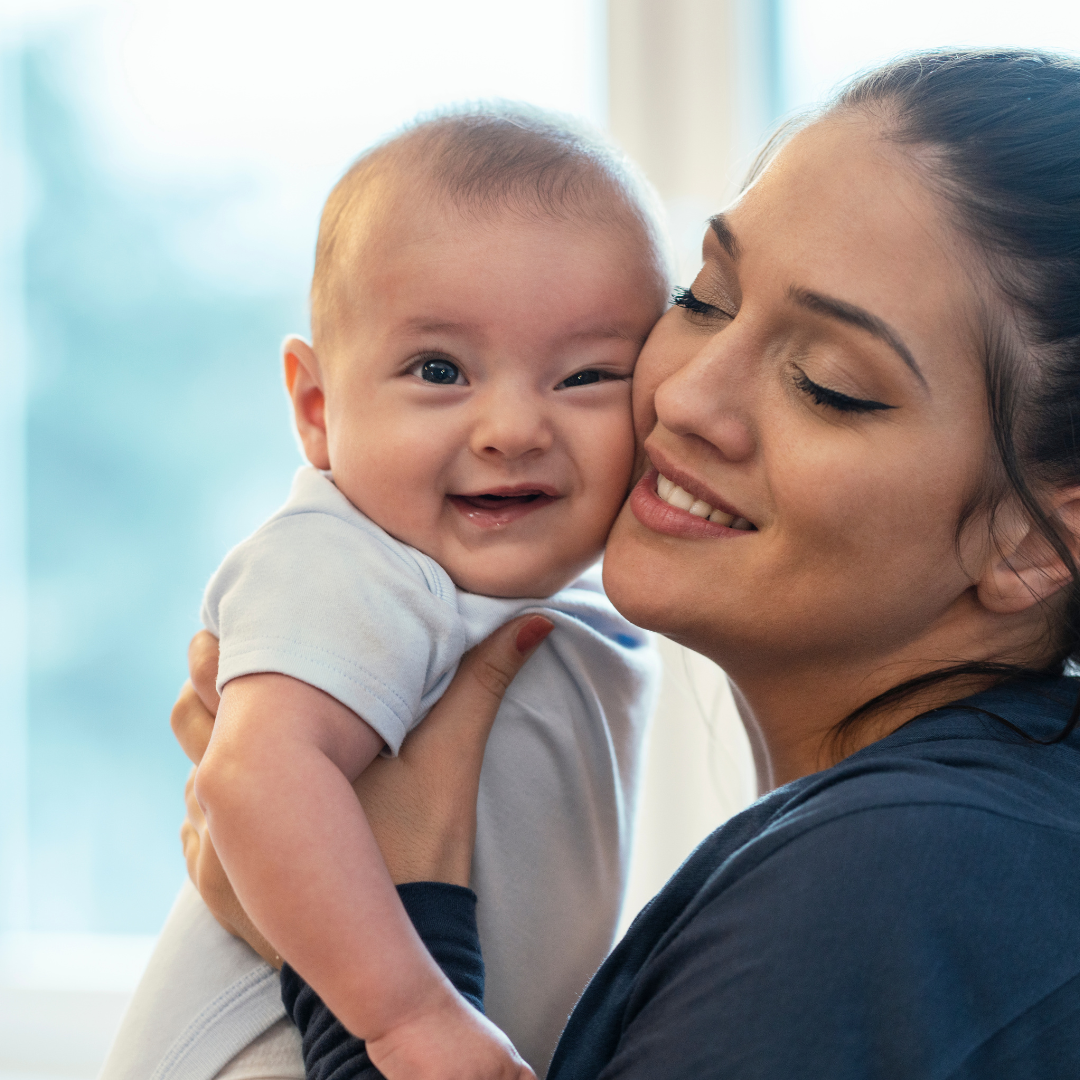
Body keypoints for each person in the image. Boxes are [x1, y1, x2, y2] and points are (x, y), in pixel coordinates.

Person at [175, 48, 1080, 1078]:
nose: (685, 396)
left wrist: (382, 942)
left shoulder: (898, 876)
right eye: (706, 298)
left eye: (827, 384)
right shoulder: (982, 837)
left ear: (1035, 542)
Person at [99, 105, 671, 1080]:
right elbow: (250, 776)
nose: (512, 427)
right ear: (318, 411)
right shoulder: (350, 557)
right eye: (440, 370)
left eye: (583, 376)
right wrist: (406, 1016)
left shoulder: (569, 597)